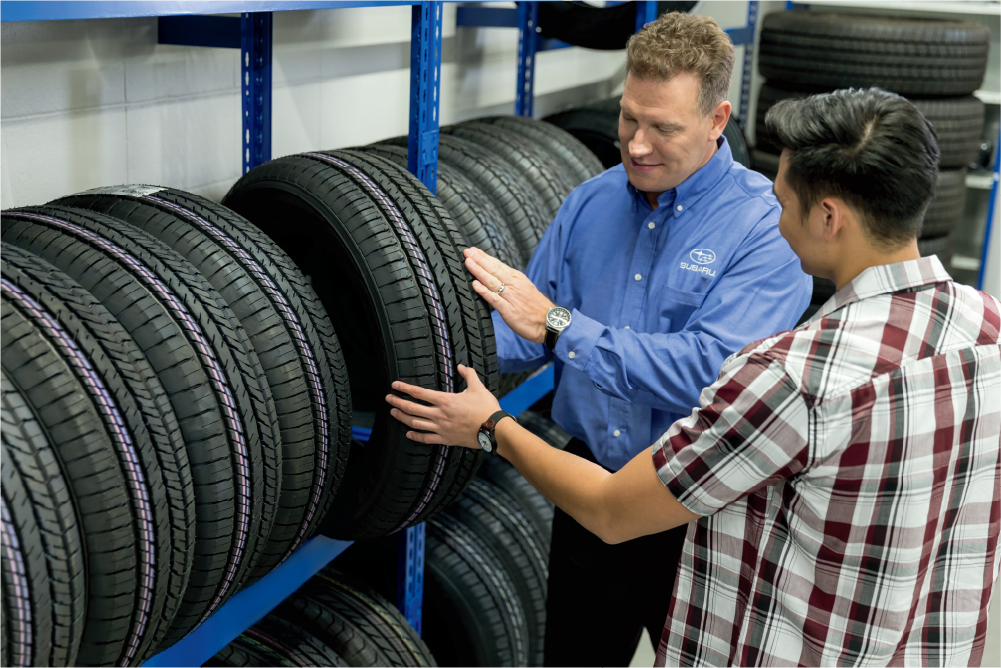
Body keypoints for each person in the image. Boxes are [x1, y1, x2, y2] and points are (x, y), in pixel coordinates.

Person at [386, 86, 1001, 667]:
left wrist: (493, 426)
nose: (777, 217)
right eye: (631, 119)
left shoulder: (793, 378)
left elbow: (609, 508)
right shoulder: (985, 326)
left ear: (830, 217)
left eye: (786, 204)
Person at [459, 11, 810, 665]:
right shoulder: (589, 203)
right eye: (628, 118)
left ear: (716, 119)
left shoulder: (765, 228)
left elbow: (712, 371)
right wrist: (432, 348)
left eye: (663, 128)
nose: (637, 145)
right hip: (586, 488)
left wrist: (560, 325)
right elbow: (528, 334)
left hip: (701, 509)